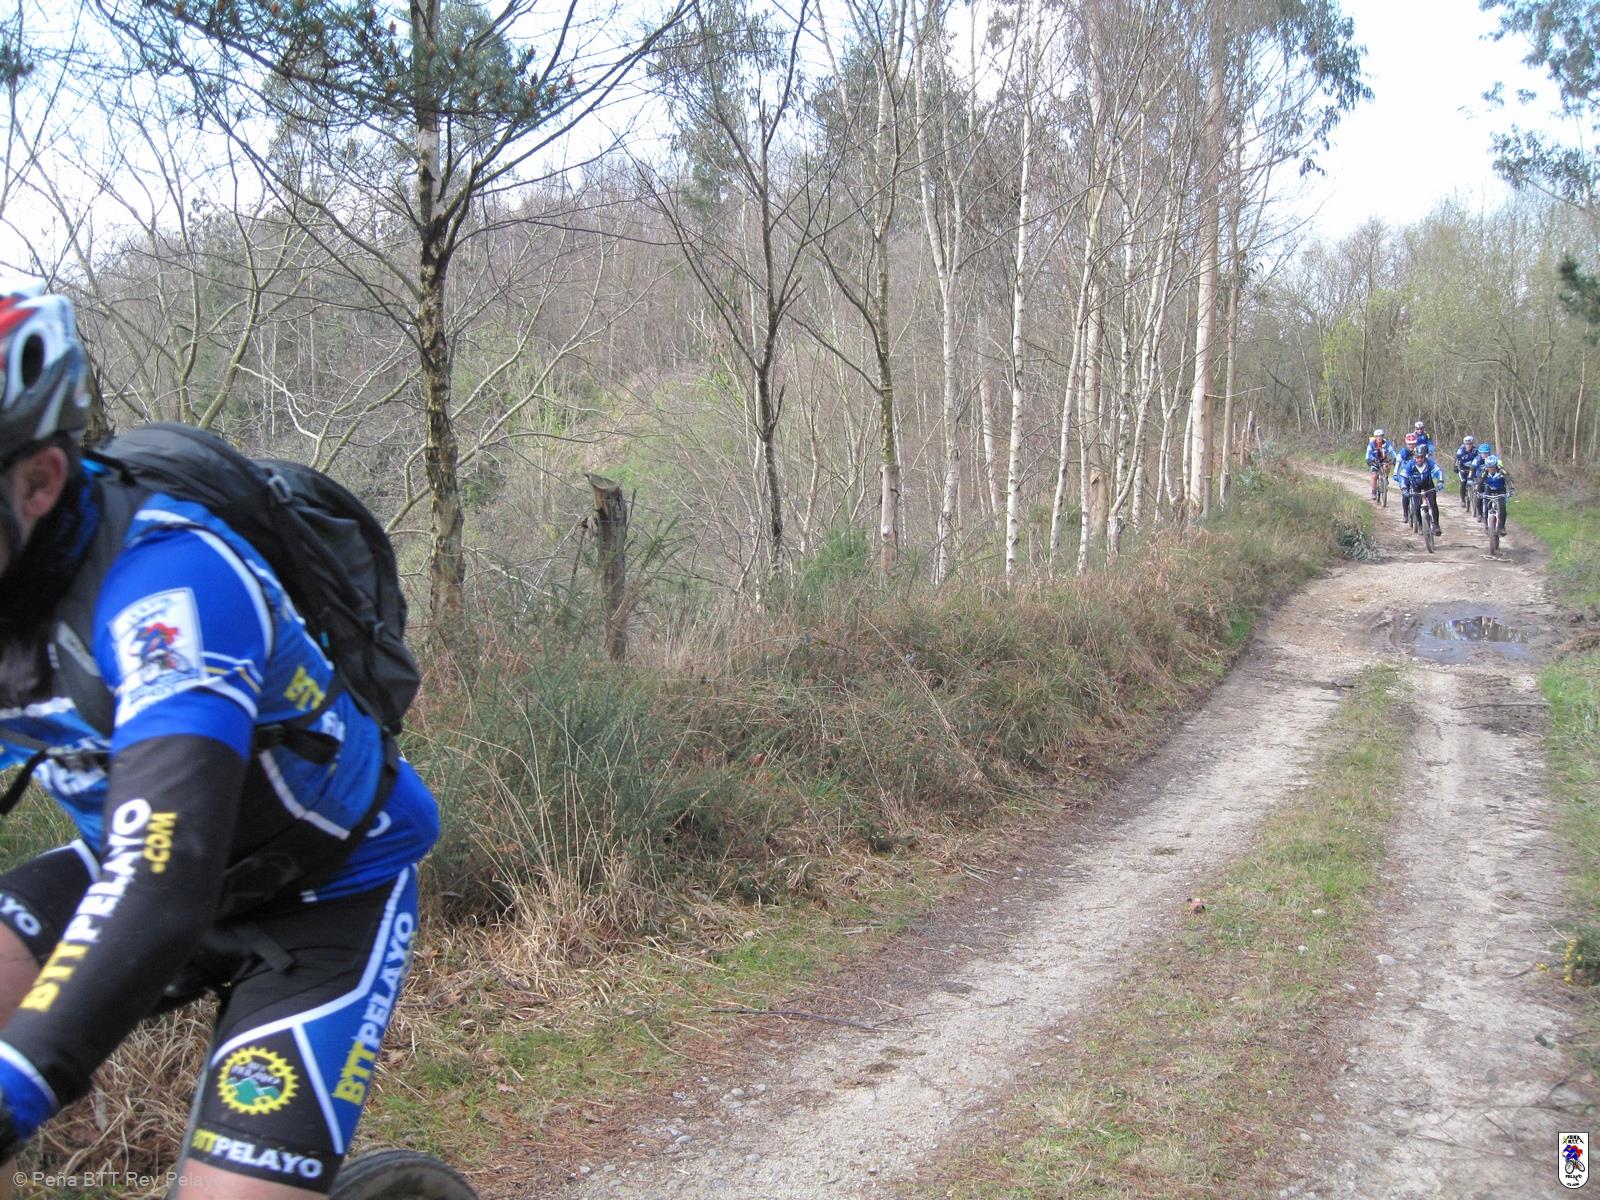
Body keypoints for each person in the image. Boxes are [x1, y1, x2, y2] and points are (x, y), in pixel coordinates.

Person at [0, 282, 438, 1198]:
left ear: (38, 479)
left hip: (326, 894)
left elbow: (163, 872)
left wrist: (18, 1087)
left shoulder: (172, 585)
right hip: (122, 859)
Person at [1397, 442, 1443, 536]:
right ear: (1414, 457)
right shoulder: (1410, 464)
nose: (1419, 459)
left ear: (1425, 457)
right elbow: (1403, 476)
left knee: (1433, 503)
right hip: (1416, 487)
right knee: (1417, 507)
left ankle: (1436, 525)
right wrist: (1404, 488)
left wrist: (1440, 481)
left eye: (1421, 457)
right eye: (1417, 457)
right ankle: (1421, 525)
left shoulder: (1429, 462)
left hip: (1428, 485)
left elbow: (1438, 471)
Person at [1478, 455, 1512, 534]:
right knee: (1486, 507)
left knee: (1502, 508)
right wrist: (1477, 490)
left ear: (1496, 466)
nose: (1490, 469)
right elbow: (1479, 481)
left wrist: (1511, 489)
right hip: (1489, 490)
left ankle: (1502, 527)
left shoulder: (1502, 471)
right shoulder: (1484, 472)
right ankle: (1486, 526)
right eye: (1488, 467)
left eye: (1492, 467)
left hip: (1501, 490)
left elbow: (1509, 480)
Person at [1365, 428, 1393, 502]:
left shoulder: (1386, 444)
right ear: (1375, 437)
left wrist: (1395, 458)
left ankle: (1385, 477)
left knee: (1387, 466)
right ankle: (1374, 492)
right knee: (1374, 476)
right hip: (1374, 460)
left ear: (1383, 436)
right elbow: (1368, 453)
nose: (1379, 438)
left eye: (1380, 436)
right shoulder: (1371, 444)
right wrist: (1368, 460)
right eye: (1377, 436)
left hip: (1384, 460)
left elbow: (1392, 452)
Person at [1453, 436, 1477, 507]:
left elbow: (1479, 459)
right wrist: (1455, 466)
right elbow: (1457, 459)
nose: (1468, 446)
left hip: (1472, 469)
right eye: (1467, 444)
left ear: (1472, 444)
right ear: (1464, 444)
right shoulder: (1461, 450)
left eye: (1470, 444)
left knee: (1475, 481)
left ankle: (1476, 497)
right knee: (1463, 482)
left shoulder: (1476, 450)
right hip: (1462, 469)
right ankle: (1463, 500)